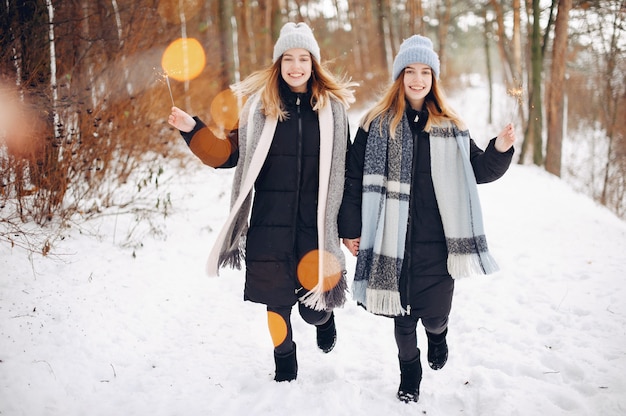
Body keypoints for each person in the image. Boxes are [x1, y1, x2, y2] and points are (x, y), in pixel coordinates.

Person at [167, 22, 357, 383]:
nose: (296, 66)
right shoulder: (258, 109)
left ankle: (323, 319)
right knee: (275, 302)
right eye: (288, 58)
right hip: (269, 224)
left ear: (314, 63)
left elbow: (345, 174)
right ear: (278, 63)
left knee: (313, 308)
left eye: (303, 58)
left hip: (316, 225)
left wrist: (348, 230)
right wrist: (194, 129)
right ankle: (284, 358)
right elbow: (226, 155)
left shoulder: (334, 113)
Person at [338, 35, 515, 403]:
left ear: (433, 78)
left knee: (434, 314)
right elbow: (353, 178)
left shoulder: (450, 126)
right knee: (402, 320)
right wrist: (350, 229)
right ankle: (410, 370)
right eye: (410, 71)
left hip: (438, 244)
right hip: (392, 240)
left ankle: (438, 334)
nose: (417, 79)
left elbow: (477, 171)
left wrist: (500, 148)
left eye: (425, 72)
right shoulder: (375, 124)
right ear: (399, 76)